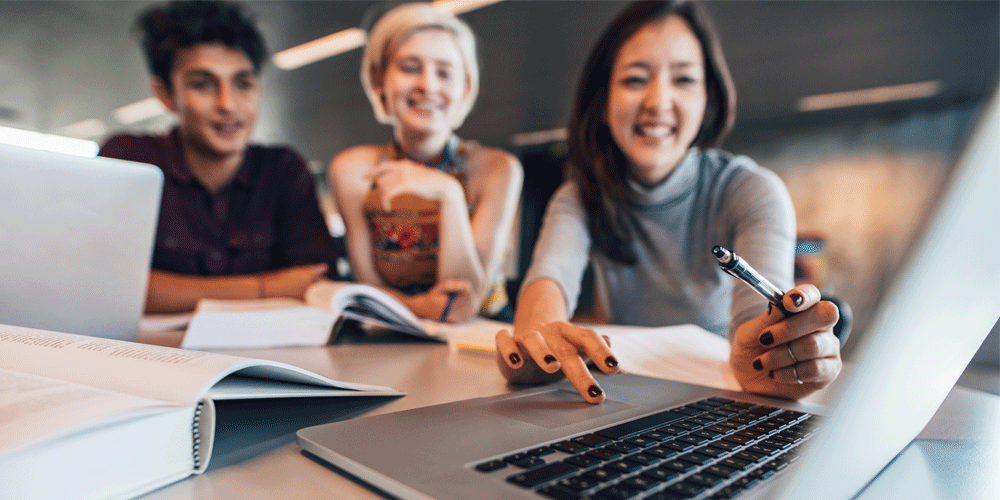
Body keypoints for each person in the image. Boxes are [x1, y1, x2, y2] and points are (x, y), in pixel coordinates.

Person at [495, 0, 841, 403]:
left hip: (720, 397)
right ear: (603, 103)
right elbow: (549, 279)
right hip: (627, 397)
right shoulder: (579, 197)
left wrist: (772, 359)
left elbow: (758, 321)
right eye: (635, 79)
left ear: (707, 100)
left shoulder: (751, 191)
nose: (658, 102)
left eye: (683, 79)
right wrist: (539, 341)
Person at [100, 0, 340, 313]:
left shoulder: (284, 170)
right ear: (165, 95)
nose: (228, 104)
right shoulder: (128, 159)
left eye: (243, 83)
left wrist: (171, 291)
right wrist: (267, 288)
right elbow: (108, 288)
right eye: (203, 84)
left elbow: (320, 288)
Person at [330, 2, 523, 323]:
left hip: (487, 337)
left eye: (444, 72)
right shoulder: (352, 171)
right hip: (393, 335)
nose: (427, 85)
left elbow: (466, 301)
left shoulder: (497, 169)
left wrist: (447, 193)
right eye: (409, 67)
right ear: (379, 80)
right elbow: (369, 290)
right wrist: (421, 309)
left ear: (465, 88)